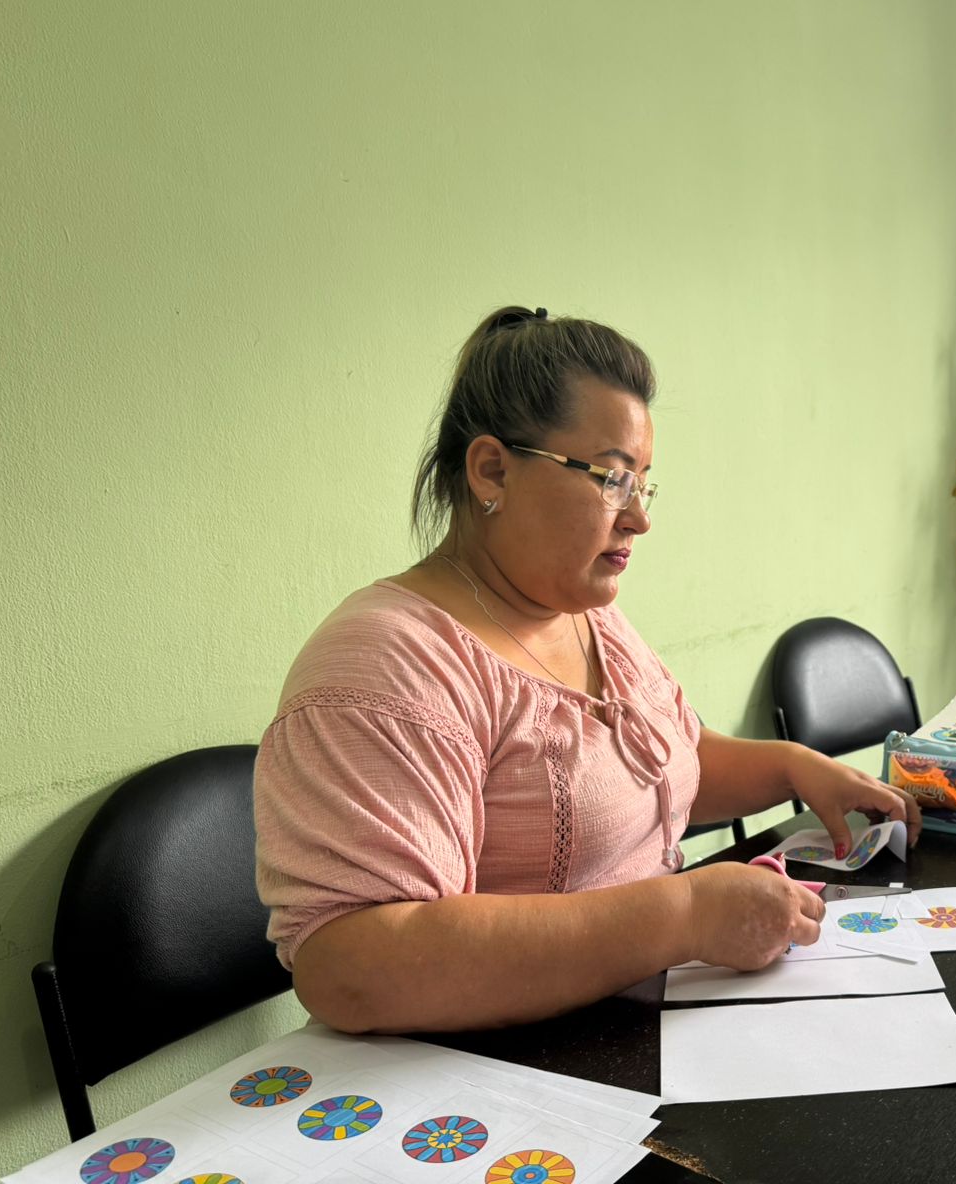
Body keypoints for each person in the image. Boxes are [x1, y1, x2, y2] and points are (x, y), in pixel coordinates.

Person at [254, 305, 921, 1034]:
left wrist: (793, 767)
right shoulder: (387, 663)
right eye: (611, 479)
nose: (639, 518)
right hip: (483, 1074)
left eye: (644, 484)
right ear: (491, 470)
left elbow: (659, 768)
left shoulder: (581, 613)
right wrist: (685, 914)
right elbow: (353, 968)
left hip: (626, 1030)